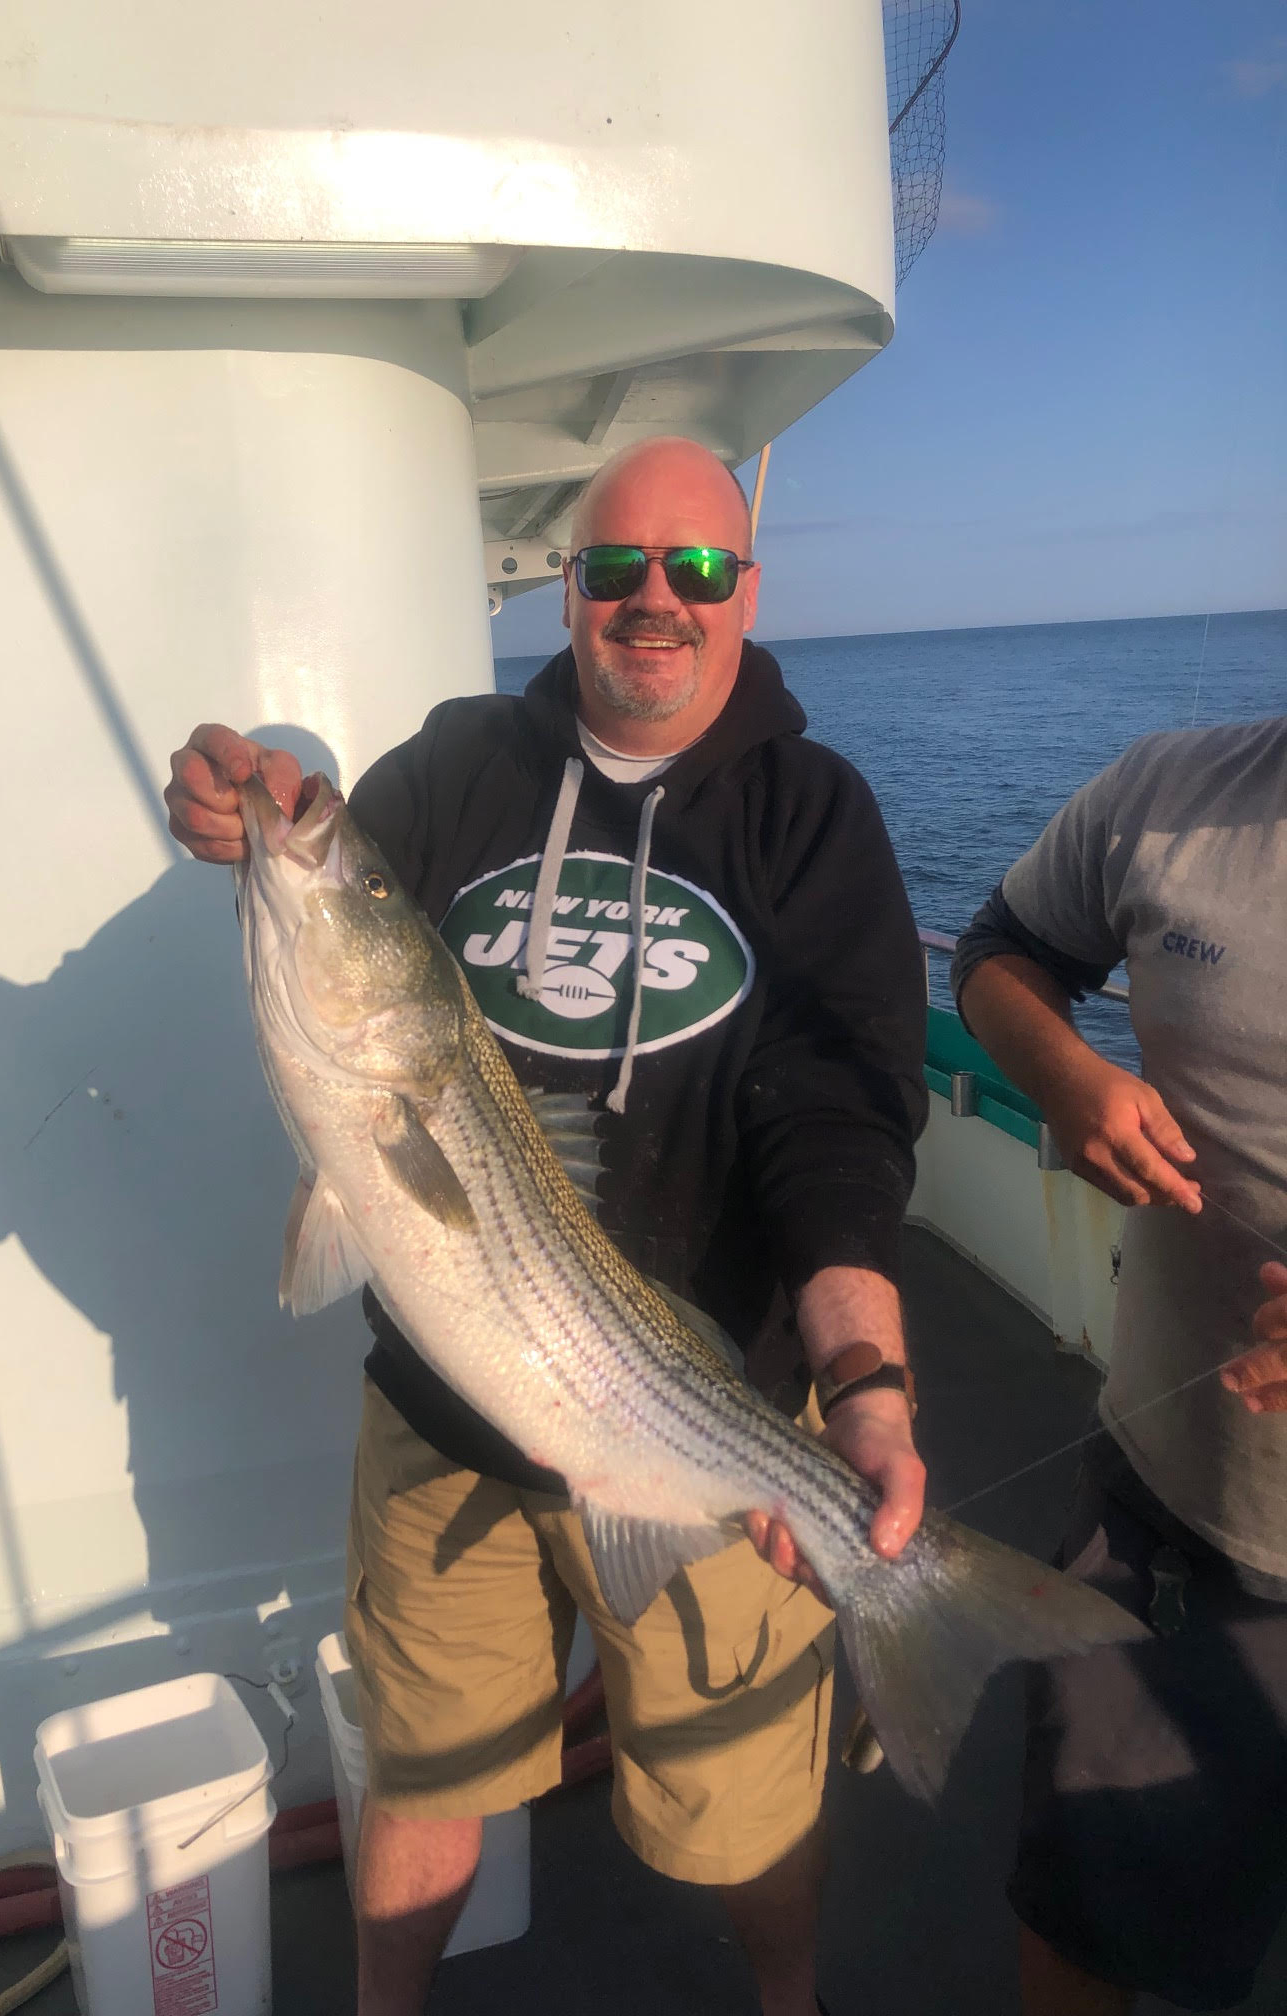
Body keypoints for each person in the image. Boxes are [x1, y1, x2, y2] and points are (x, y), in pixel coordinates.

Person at [167, 437, 928, 2016]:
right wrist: (255, 812)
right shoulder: (459, 767)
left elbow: (837, 1132)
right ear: (567, 590)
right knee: (424, 1771)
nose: (657, 601)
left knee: (747, 1812)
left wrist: (866, 1386)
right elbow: (328, 852)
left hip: (695, 1411)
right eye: (617, 570)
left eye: (696, 570)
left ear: (744, 592)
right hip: (440, 1420)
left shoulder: (810, 818)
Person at [952, 714, 1287, 2016]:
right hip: (1179, 1516)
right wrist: (1069, 1079)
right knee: (1085, 1915)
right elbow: (1000, 954)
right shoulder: (1170, 789)